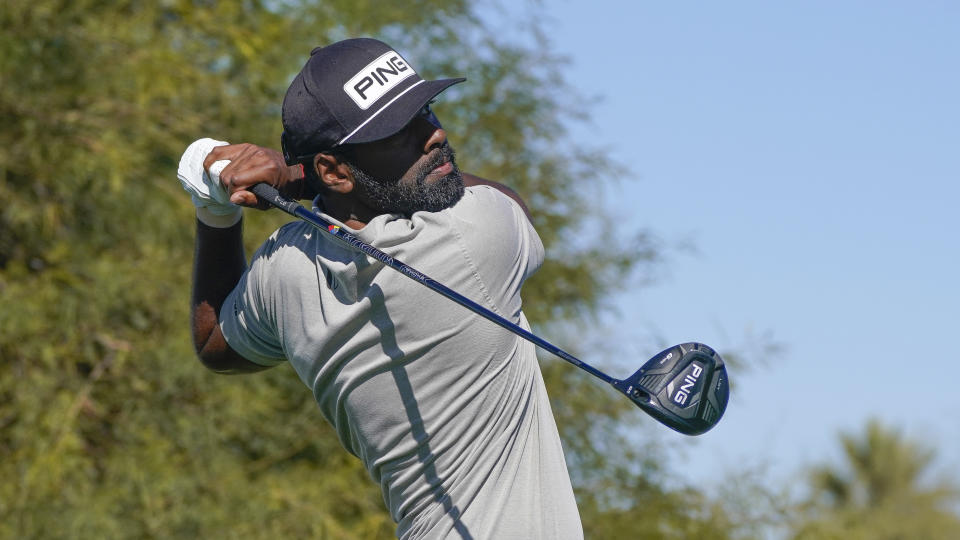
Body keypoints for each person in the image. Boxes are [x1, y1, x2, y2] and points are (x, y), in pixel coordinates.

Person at [178, 38, 583, 539]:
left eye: (426, 112)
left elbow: (215, 341)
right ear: (333, 169)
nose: (434, 135)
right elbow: (505, 199)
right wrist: (297, 179)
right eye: (401, 132)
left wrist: (216, 212)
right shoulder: (472, 239)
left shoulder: (285, 269)